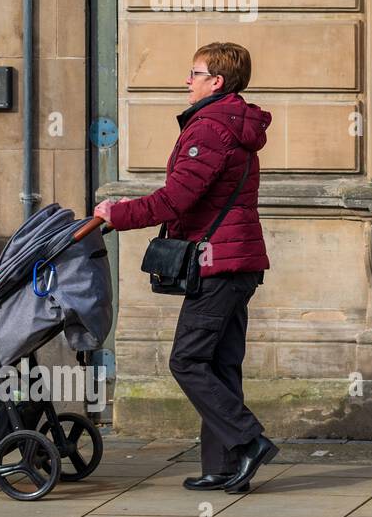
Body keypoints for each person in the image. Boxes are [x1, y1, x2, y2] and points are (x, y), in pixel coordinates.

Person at [95, 42, 277, 493]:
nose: (187, 80)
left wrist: (117, 214)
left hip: (219, 263)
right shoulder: (232, 123)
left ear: (216, 81)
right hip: (235, 261)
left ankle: (249, 441)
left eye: (194, 73)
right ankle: (224, 466)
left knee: (187, 359)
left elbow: (175, 200)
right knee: (220, 364)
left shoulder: (210, 128)